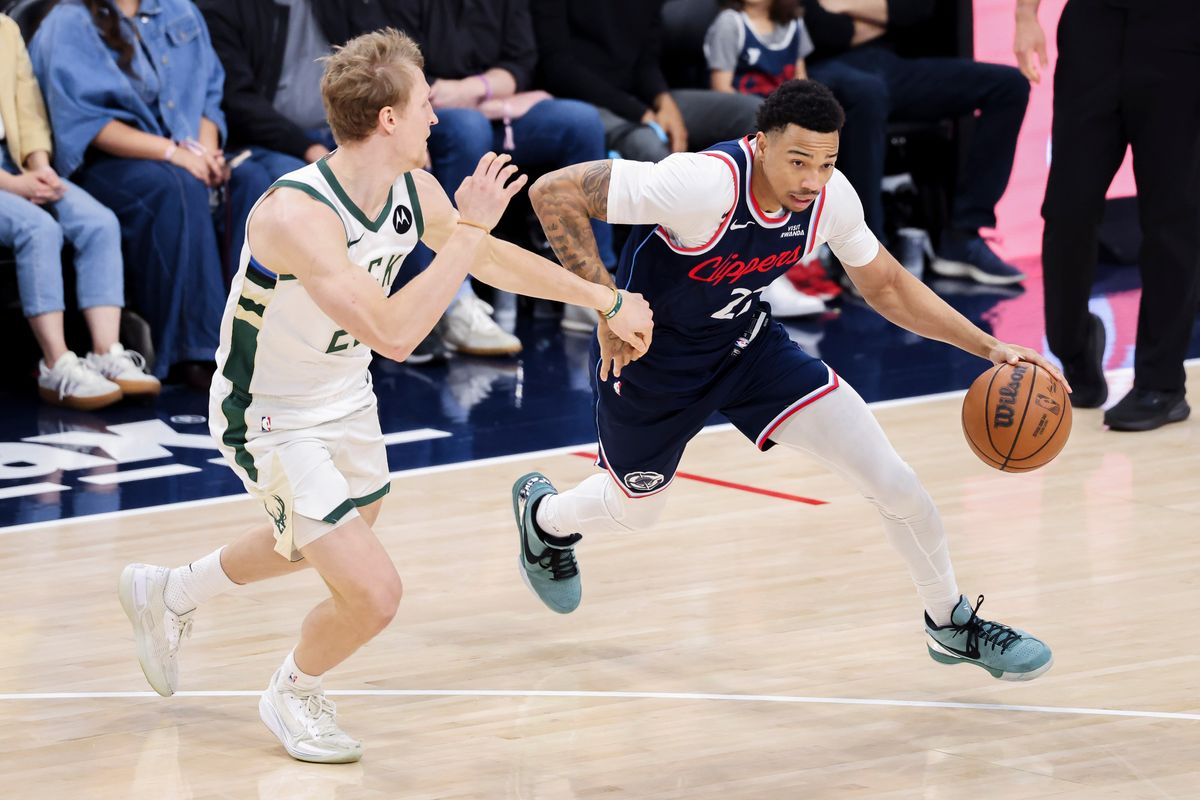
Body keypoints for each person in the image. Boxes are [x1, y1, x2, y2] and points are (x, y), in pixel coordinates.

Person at [116, 28, 652, 764]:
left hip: (345, 395)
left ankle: (170, 592)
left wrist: (602, 298)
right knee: (373, 593)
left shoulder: (415, 189)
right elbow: (396, 333)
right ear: (389, 118)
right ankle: (293, 692)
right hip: (269, 414)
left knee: (319, 546)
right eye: (425, 102)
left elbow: (490, 259)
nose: (437, 115)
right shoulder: (296, 215)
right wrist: (468, 232)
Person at [512, 80, 1060, 683]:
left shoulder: (830, 198)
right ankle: (545, 520)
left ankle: (949, 623)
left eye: (826, 163)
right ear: (762, 144)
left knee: (894, 482)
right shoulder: (704, 184)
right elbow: (553, 191)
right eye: (798, 161)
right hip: (653, 363)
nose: (812, 180)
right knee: (634, 512)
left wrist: (988, 346)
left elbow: (886, 285)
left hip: (748, 350)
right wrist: (607, 303)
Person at [28, 0, 307, 384]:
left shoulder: (180, 11)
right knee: (176, 187)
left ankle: (259, 339)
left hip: (186, 154)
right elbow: (86, 123)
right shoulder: (67, 23)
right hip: (110, 164)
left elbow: (210, 93)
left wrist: (205, 151)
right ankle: (196, 351)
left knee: (254, 182)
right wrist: (174, 155)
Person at [382, 0, 616, 352]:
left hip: (492, 106)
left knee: (581, 122)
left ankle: (591, 284)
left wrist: (473, 89)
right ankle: (454, 299)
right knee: (469, 129)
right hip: (434, 114)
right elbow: (399, 68)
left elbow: (520, 63)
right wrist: (452, 98)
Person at [1014, 0, 1199, 430]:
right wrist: (1025, 16)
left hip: (1180, 31)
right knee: (1067, 208)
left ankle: (1162, 384)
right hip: (1092, 26)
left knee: (1172, 216)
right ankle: (1073, 345)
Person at [802, 0, 1030, 285]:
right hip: (822, 67)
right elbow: (815, 27)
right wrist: (884, 17)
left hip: (891, 65)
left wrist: (842, 5)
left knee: (1010, 86)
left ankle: (963, 236)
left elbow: (916, 10)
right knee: (868, 94)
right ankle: (864, 258)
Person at [0, 12, 158, 409]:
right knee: (38, 228)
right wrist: (14, 186)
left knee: (99, 222)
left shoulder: (5, 29)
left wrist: (39, 167)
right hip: (7, 180)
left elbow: (28, 110)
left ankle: (106, 354)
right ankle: (56, 365)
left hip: (15, 163)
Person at [704, 0, 813, 97]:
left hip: (785, 107)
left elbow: (800, 78)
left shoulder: (793, 20)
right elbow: (721, 89)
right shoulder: (729, 23)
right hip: (745, 109)